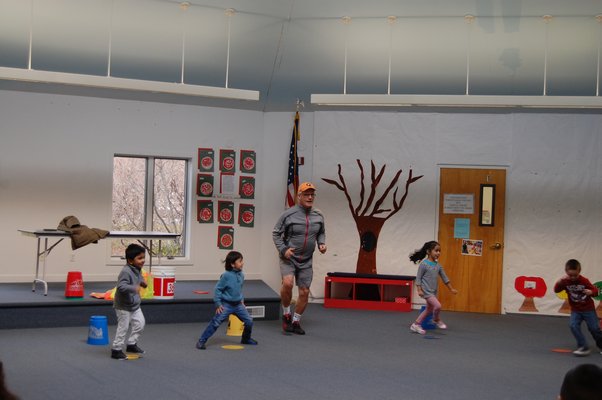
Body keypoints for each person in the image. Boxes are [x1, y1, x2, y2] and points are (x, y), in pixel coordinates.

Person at [272, 182, 326, 335]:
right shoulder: (288, 214)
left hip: (306, 260)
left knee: (304, 292)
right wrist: (283, 250)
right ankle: (286, 314)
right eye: (306, 194)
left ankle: (296, 321)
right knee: (288, 283)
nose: (310, 197)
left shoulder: (318, 215)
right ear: (299, 196)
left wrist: (321, 243)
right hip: (288, 258)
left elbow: (321, 232)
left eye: (312, 194)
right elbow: (276, 233)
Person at [196, 251, 258, 349]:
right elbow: (218, 289)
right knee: (216, 322)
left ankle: (246, 339)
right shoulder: (226, 276)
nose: (242, 263)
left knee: (249, 321)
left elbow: (239, 289)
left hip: (238, 305)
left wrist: (241, 299)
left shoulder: (241, 275)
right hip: (226, 305)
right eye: (240, 261)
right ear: (233, 264)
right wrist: (218, 304)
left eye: (242, 261)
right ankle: (201, 340)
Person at [553, 259, 602, 357]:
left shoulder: (584, 280)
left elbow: (596, 291)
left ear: (579, 272)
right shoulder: (565, 281)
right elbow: (557, 290)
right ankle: (583, 346)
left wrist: (591, 292)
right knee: (573, 325)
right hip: (576, 310)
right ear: (566, 272)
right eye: (570, 275)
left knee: (594, 328)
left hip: (588, 309)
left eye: (575, 275)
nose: (573, 277)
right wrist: (559, 282)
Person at [409, 240, 458, 335]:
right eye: (436, 250)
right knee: (438, 306)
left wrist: (451, 288)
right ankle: (436, 319)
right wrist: (419, 289)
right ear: (428, 251)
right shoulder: (424, 264)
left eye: (439, 251)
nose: (438, 253)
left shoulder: (438, 266)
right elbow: (418, 278)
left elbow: (445, 278)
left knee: (429, 310)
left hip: (434, 291)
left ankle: (416, 324)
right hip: (426, 291)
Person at [111, 243, 147, 360]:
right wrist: (134, 288)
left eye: (143, 257)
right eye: (140, 258)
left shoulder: (138, 269)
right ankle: (116, 350)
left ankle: (131, 344)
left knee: (140, 324)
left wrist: (142, 282)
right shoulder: (125, 271)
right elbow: (121, 286)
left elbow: (138, 277)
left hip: (135, 305)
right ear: (130, 261)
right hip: (123, 306)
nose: (143, 260)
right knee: (123, 328)